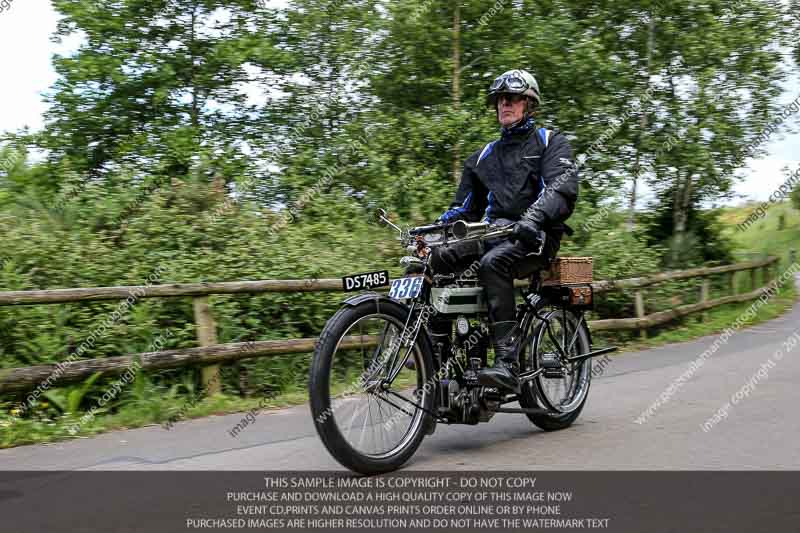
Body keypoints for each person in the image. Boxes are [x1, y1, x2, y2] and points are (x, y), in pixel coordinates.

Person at [430, 69, 579, 392]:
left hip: (537, 236)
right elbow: (464, 208)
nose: (504, 105)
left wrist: (533, 219)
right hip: (493, 234)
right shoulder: (485, 155)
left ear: (529, 104)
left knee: (493, 264)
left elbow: (561, 189)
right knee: (440, 257)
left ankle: (507, 364)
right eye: (499, 100)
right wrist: (432, 231)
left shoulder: (550, 142)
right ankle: (436, 352)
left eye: (511, 99)